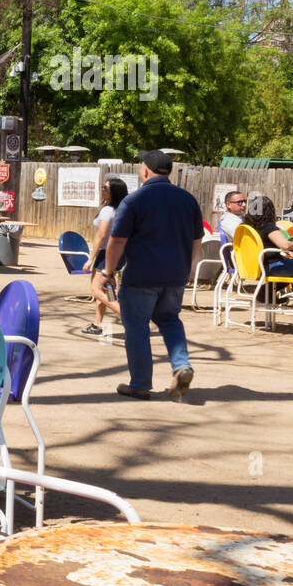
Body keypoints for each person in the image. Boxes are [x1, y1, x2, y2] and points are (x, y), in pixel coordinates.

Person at [93, 150, 204, 400]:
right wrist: (186, 267)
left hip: (142, 275)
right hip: (176, 275)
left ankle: (141, 384)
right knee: (170, 320)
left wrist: (107, 271)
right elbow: (197, 239)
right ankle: (181, 365)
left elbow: (118, 240)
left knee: (137, 327)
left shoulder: (135, 200)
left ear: (145, 170)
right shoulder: (188, 200)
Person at [81, 176, 129, 335]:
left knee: (96, 290)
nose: (102, 190)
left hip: (106, 254)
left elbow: (101, 236)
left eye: (105, 188)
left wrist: (91, 258)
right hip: (118, 253)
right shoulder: (121, 209)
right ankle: (97, 324)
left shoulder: (108, 211)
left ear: (114, 192)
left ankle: (127, 316)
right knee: (105, 289)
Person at [242, 195, 293, 304]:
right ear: (270, 210)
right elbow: (284, 244)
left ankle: (267, 291)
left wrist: (287, 251)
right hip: (272, 266)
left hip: (255, 266)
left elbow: (264, 246)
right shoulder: (267, 226)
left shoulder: (246, 226)